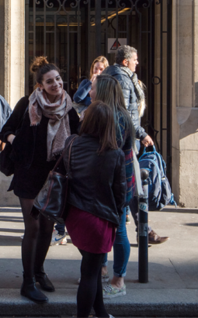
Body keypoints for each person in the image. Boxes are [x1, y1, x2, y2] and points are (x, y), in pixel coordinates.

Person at [0, 56, 80, 303]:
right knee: (33, 227)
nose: (56, 84)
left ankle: (39, 271)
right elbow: (5, 130)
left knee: (47, 227)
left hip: (54, 177)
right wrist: (18, 143)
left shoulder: (69, 108)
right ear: (40, 85)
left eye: (58, 79)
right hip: (28, 174)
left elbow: (77, 139)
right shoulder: (28, 104)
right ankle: (27, 282)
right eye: (49, 81)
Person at [60, 102, 126, 318]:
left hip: (74, 215)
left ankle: (101, 312)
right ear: (109, 124)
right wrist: (117, 216)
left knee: (93, 267)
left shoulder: (71, 143)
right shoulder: (114, 153)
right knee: (89, 273)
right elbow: (120, 193)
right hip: (99, 218)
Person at [101, 45, 168, 243]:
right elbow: (126, 114)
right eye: (135, 59)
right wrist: (141, 134)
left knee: (129, 187)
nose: (137, 62)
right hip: (124, 142)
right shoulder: (122, 79)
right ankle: (142, 231)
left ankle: (142, 230)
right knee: (133, 186)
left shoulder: (112, 75)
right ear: (125, 61)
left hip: (119, 140)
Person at [92, 75, 137, 299]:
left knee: (119, 229)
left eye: (92, 88)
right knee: (105, 227)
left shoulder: (117, 118)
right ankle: (102, 269)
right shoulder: (110, 115)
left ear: (101, 93)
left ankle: (119, 279)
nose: (89, 92)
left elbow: (110, 153)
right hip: (112, 183)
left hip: (116, 184)